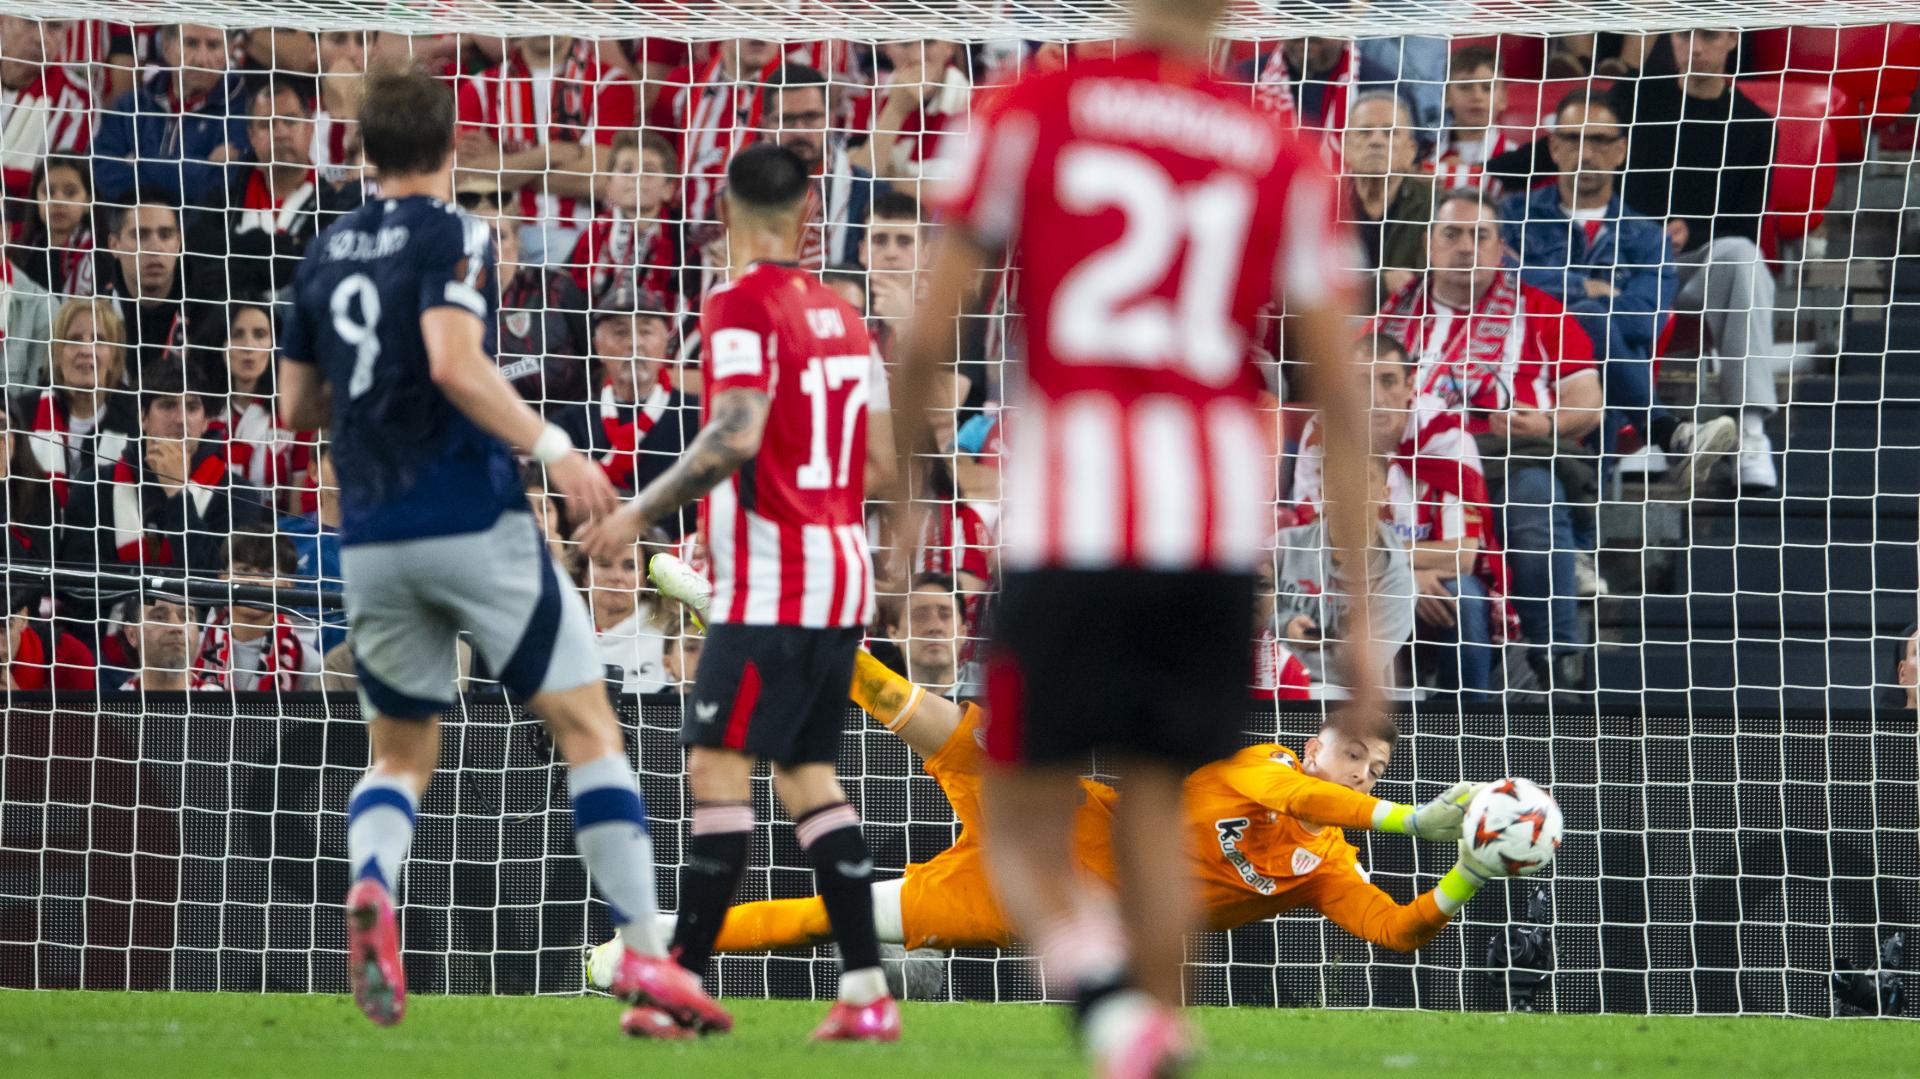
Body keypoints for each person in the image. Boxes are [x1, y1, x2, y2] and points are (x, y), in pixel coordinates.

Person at [896, 0, 1384, 1068]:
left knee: (1020, 807)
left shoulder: (1026, 110)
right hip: (1211, 525)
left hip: (1078, 513)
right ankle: (1151, 1033)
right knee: (1159, 805)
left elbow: (928, 336)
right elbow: (1343, 402)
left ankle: (1101, 991)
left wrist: (901, 508)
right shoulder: (1282, 151)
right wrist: (1360, 616)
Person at [275, 67, 720, 1038]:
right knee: (589, 729)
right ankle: (647, 955)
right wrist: (555, 448)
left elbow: (295, 408)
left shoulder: (321, 254)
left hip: (372, 537)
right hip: (475, 524)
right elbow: (451, 357)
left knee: (399, 754)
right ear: (451, 150)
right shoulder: (457, 232)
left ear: (361, 151)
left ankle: (371, 883)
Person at [585, 624, 1509, 987]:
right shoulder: (1262, 763)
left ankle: (640, 948)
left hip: (1036, 902)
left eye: (1376, 767)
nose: (1361, 771)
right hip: (1053, 811)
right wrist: (1408, 821)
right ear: (1318, 744)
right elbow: (1297, 794)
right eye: (1354, 751)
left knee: (833, 918)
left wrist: (1465, 872)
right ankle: (787, 636)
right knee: (943, 722)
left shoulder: (1326, 871)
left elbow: (1398, 931)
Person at [579, 143, 896, 1042]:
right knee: (807, 778)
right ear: (808, 212)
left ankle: (682, 982)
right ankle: (866, 992)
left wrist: (637, 513)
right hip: (842, 573)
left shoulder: (737, 305)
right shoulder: (845, 317)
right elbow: (874, 462)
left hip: (775, 582)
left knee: (715, 769)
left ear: (723, 210)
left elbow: (736, 431)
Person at [1376, 192, 1604, 691]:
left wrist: (1544, 425)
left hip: (1504, 460)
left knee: (1534, 500)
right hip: (1406, 469)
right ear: (1427, 245)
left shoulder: (1541, 311)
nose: (1465, 247)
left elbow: (1588, 402)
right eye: (1452, 234)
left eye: (1480, 235)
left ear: (1501, 247)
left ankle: (1557, 664)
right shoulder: (1390, 319)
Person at [1500, 90, 1736, 494]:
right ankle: (1667, 431)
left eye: (1599, 140)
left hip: (1598, 371)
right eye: (1573, 139)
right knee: (1595, 321)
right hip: (1520, 354)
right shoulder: (1510, 214)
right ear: (1554, 147)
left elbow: (1644, 320)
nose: (1585, 152)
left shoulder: (1647, 236)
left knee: (1594, 347)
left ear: (1620, 150)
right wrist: (1582, 288)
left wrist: (1561, 300)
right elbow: (1500, 280)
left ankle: (1586, 542)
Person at [1610, 29, 1781, 489]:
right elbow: (1585, 170)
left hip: (1697, 265)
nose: (1694, 48)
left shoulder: (1755, 125)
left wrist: (1693, 232)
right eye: (1683, 36)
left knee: (1744, 257)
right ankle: (1635, 429)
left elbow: (1746, 224)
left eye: (1706, 36)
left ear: (1731, 40)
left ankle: (1749, 430)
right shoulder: (1633, 99)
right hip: (1625, 260)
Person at [454, 34, 639, 267]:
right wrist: (548, 154)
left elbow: (601, 180)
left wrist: (499, 162)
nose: (545, 13)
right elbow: (464, 178)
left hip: (577, 240)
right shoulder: (478, 87)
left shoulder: (609, 82)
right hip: (494, 240)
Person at [60, 358, 251, 575]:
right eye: (168, 405)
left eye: (192, 407)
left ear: (206, 421)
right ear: (143, 417)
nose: (181, 419)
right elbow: (77, 586)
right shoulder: (92, 487)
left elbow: (218, 583)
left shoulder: (239, 496)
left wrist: (177, 494)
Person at [185, 77, 363, 299]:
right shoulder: (223, 200)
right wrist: (286, 246)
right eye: (267, 124)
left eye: (289, 121)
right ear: (251, 136)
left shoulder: (333, 204)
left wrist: (237, 255)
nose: (279, 133)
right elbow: (196, 245)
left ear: (309, 129)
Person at [555, 287, 699, 510]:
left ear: (665, 344)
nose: (634, 344)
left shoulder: (696, 417)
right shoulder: (571, 425)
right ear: (598, 347)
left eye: (646, 332)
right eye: (620, 333)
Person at [91, 23, 249, 206]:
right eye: (190, 43)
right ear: (166, 47)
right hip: (131, 227)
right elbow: (101, 172)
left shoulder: (243, 112)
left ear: (229, 51)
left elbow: (221, 188)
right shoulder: (130, 106)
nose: (201, 59)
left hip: (201, 232)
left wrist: (138, 162)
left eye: (213, 46)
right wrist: (200, 167)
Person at [22, 296, 137, 511]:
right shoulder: (22, 415)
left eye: (99, 339)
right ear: (56, 354)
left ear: (114, 357)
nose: (86, 350)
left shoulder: (136, 421)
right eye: (74, 339)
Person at [97, 199, 224, 381]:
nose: (155, 247)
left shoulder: (212, 312)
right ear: (114, 244)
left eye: (165, 235)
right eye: (141, 235)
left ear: (179, 243)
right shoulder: (94, 312)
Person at [759, 62, 871, 269]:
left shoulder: (866, 192)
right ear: (765, 125)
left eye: (810, 117)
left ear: (829, 118)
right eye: (787, 119)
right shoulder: (740, 189)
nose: (800, 131)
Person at [563, 131, 690, 309]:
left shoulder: (685, 241)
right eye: (627, 170)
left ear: (668, 188)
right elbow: (565, 297)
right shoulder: (591, 237)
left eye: (649, 170)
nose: (637, 178)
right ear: (609, 186)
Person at [193, 533, 322, 691]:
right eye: (244, 570)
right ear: (223, 578)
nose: (254, 580)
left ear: (287, 585)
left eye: (267, 573)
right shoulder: (191, 649)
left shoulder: (308, 663)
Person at [1340, 90, 1434, 302]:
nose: (1376, 142)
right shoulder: (1318, 202)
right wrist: (1382, 286)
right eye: (1365, 132)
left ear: (1410, 151)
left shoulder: (1438, 206)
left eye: (1390, 133)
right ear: (1346, 146)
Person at [0, 15, 91, 201]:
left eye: (55, 26)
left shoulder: (76, 103)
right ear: (3, 23)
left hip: (24, 219)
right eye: (30, 22)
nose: (41, 37)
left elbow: (57, 188)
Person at [582, 547, 670, 695]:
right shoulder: (563, 634)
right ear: (584, 575)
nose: (617, 576)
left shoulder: (669, 635)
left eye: (630, 566)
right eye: (604, 564)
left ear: (645, 579)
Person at [13, 155, 97, 298]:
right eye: (48, 192)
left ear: (88, 201)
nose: (57, 200)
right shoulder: (20, 255)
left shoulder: (100, 256)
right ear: (36, 198)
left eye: (70, 192)